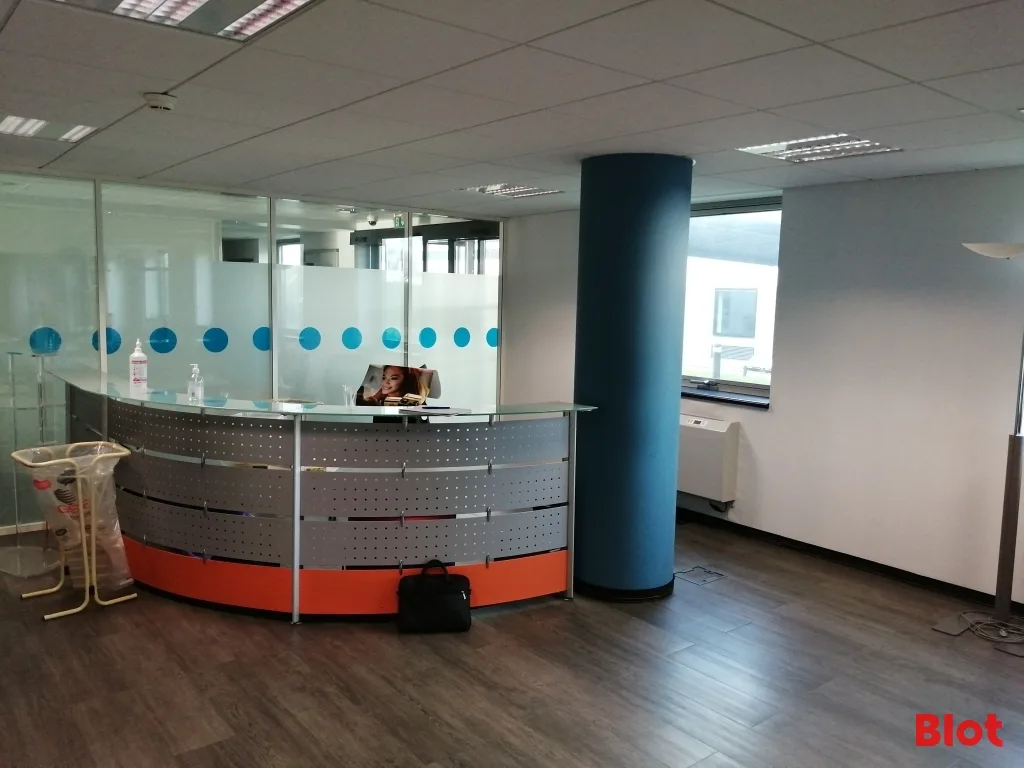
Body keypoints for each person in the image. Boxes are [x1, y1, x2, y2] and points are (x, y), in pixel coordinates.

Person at [357, 365, 421, 405]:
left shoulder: (412, 402)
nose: (385, 382)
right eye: (384, 377)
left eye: (393, 378)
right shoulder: (378, 400)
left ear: (406, 379)